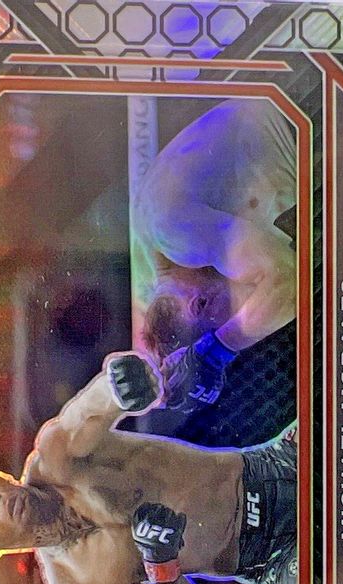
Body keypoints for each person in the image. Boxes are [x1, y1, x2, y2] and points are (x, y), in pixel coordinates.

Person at [0, 353, 297, 584]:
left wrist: (120, 385)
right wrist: (163, 566)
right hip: (271, 561)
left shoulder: (56, 458)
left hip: (276, 464)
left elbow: (88, 412)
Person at [132, 98, 297, 413]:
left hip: (300, 108)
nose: (244, 296)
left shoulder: (176, 233)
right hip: (287, 110)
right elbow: (152, 346)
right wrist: (168, 378)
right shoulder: (152, 255)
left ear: (199, 304)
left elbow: (288, 282)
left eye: (233, 307)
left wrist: (216, 351)